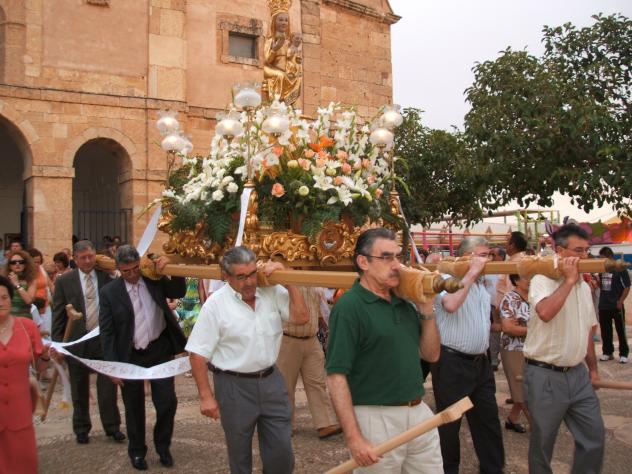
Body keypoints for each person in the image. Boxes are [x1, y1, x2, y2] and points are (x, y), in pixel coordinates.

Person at [326, 228, 443, 473]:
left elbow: (431, 355)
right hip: (375, 418)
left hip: (419, 412)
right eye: (387, 257)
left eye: (398, 257)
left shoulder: (404, 303)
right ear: (363, 262)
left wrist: (426, 309)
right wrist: (354, 438)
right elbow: (336, 377)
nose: (397, 265)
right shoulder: (349, 306)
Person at [187, 246, 309, 474]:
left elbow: (301, 317)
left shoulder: (271, 291)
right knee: (239, 454)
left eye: (252, 273)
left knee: (281, 453)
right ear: (226, 276)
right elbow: (197, 354)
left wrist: (289, 279)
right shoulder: (216, 305)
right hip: (233, 387)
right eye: (241, 277)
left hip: (272, 382)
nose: (250, 282)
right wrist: (206, 397)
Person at [523, 224, 604, 473]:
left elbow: (587, 331)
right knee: (543, 444)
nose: (584, 256)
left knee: (594, 438)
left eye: (586, 251)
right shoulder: (542, 279)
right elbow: (545, 312)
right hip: (545, 375)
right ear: (559, 251)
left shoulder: (584, 286)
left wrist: (593, 370)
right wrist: (569, 281)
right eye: (578, 251)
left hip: (578, 375)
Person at [99, 245, 187, 471]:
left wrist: (173, 269)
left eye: (135, 268)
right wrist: (112, 366)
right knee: (133, 406)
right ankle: (137, 451)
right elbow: (107, 331)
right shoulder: (109, 293)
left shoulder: (153, 279)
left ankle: (163, 446)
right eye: (126, 271)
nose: (132, 274)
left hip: (159, 350)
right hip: (129, 355)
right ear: (118, 269)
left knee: (167, 402)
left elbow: (178, 291)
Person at [431, 236, 504, 474]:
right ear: (466, 256)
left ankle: (493, 470)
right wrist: (471, 274)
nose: (487, 261)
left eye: (488, 255)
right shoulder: (444, 278)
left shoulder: (482, 284)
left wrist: (475, 276)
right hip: (452, 363)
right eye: (482, 255)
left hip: (480, 362)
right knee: (449, 424)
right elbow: (450, 305)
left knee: (488, 421)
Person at [51, 240, 123, 445]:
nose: (88, 261)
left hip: (103, 341)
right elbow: (58, 315)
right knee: (79, 388)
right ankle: (81, 428)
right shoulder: (65, 281)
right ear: (75, 259)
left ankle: (112, 426)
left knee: (108, 388)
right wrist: (58, 345)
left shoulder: (106, 277)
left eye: (91, 256)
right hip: (77, 342)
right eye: (83, 258)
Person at [277, 286, 341, 439]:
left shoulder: (314, 283)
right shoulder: (281, 282)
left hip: (312, 338)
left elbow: (319, 312)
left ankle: (325, 423)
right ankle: (284, 425)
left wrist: (326, 328)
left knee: (317, 382)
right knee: (285, 386)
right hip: (287, 338)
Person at [0, 275, 49, 474]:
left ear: (11, 299)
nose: (0, 302)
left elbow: (40, 368)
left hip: (19, 412)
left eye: (4, 297)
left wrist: (46, 356)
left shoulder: (26, 327)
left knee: (23, 464)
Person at [499, 273, 531, 433]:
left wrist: (523, 328)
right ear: (516, 280)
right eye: (527, 277)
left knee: (527, 387)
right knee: (521, 391)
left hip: (532, 349)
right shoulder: (510, 299)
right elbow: (508, 328)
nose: (531, 280)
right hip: (514, 349)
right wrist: (535, 330)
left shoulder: (535, 296)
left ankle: (512, 419)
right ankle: (538, 428)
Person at [597, 246, 630, 363]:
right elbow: (602, 286)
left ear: (609, 257)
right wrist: (596, 282)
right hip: (603, 305)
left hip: (616, 305)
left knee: (621, 330)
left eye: (602, 258)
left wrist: (620, 301)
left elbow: (627, 287)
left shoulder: (620, 269)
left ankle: (624, 354)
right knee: (605, 331)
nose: (601, 260)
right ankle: (607, 352)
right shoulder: (601, 269)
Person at [263, 7, 302, 105]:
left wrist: (297, 59)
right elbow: (267, 61)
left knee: (297, 77)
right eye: (280, 20)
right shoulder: (271, 40)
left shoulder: (289, 43)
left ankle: (288, 104)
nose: (284, 23)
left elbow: (293, 58)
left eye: (286, 20)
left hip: (287, 70)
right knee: (281, 75)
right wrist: (275, 49)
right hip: (270, 69)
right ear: (274, 22)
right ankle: (276, 103)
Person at [3, 250, 38, 319]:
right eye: (13, 262)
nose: (17, 264)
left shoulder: (31, 280)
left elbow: (29, 301)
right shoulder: (4, 280)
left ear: (25, 264)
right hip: (7, 319)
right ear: (9, 265)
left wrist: (17, 284)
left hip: (24, 318)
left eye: (21, 262)